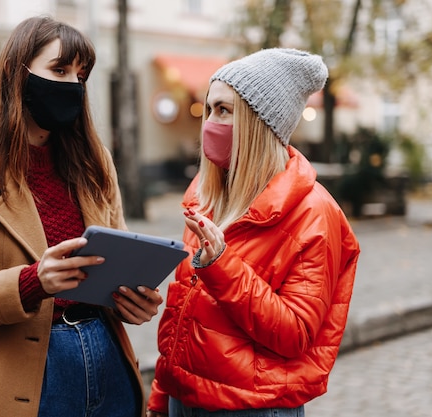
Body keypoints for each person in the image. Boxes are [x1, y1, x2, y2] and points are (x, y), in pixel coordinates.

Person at [0, 16, 163, 417]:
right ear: (18, 75)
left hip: (110, 365)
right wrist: (33, 282)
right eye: (59, 69)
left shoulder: (94, 163)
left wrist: (132, 301)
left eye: (81, 75)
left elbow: (116, 260)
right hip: (25, 378)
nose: (72, 83)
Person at [147, 48, 360, 416]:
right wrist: (161, 394)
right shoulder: (206, 196)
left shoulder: (314, 213)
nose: (210, 121)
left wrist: (221, 265)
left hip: (251, 407)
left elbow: (294, 333)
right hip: (184, 399)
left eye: (224, 110)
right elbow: (183, 311)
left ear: (260, 124)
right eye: (210, 108)